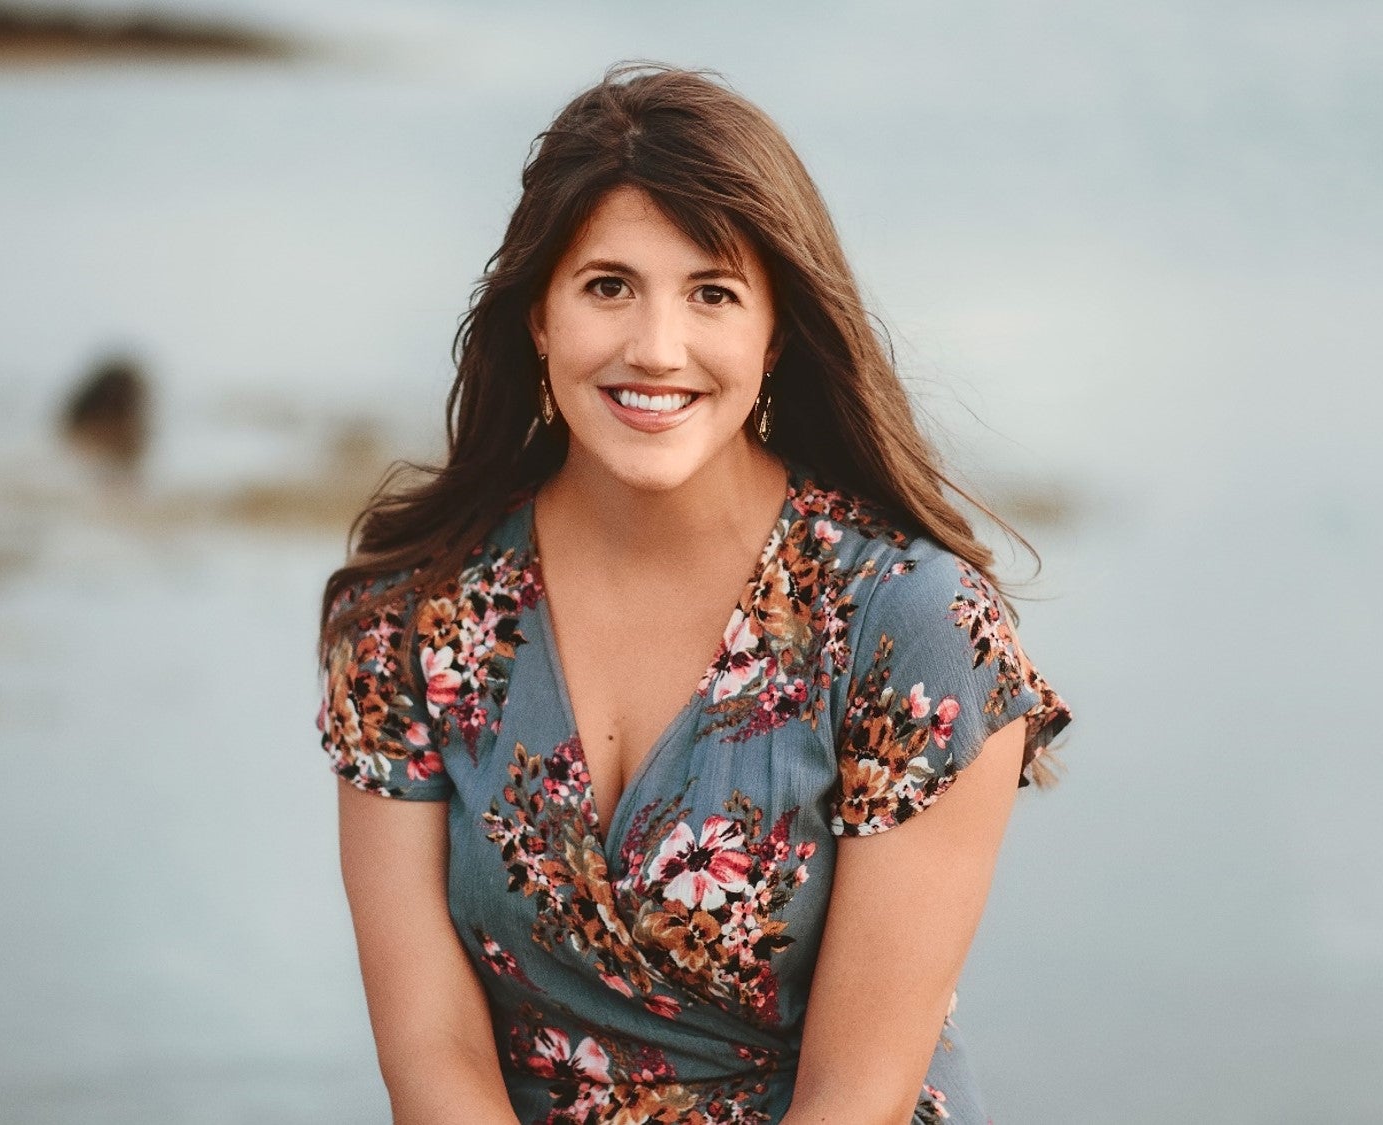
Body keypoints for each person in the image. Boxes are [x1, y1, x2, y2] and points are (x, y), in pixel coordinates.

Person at [316, 62, 1074, 1125]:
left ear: (777, 333)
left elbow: (857, 1096)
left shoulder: (911, 629)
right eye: (608, 286)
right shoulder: (408, 621)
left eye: (711, 293)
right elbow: (431, 1055)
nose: (655, 349)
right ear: (540, 315)